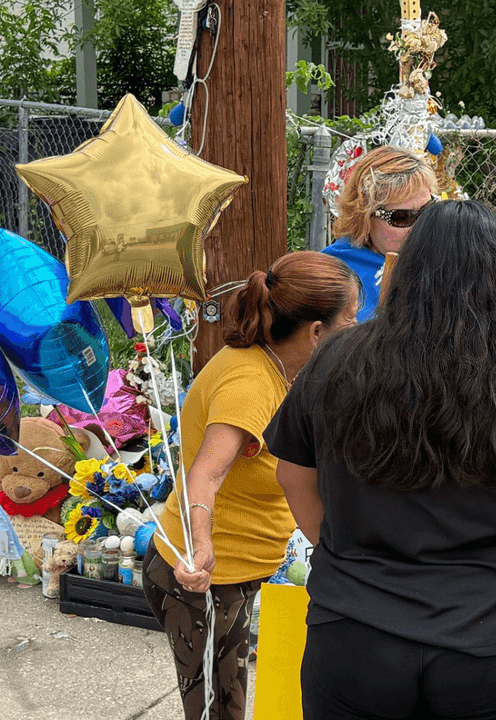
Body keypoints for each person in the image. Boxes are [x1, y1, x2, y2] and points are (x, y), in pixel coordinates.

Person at [264, 200, 496, 720]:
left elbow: (292, 473)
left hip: (354, 629)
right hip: (491, 637)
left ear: (406, 267)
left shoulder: (337, 358)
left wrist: (338, 547)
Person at [142, 252, 360, 720]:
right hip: (206, 584)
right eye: (351, 320)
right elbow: (208, 471)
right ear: (316, 332)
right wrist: (201, 544)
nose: (358, 330)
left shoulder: (285, 368)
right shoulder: (250, 383)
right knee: (219, 714)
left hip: (241, 576)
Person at [322, 145, 438, 322]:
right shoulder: (331, 276)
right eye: (402, 217)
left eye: (428, 209)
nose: (420, 226)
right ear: (364, 216)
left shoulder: (440, 257)